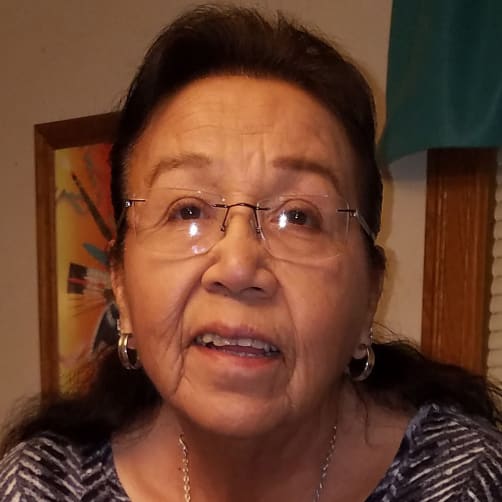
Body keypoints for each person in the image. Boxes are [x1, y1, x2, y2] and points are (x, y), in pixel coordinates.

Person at [1, 5, 501, 501]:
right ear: (121, 286)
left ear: (368, 296)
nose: (238, 266)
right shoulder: (39, 487)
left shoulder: (467, 484)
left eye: (298, 216)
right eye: (188, 210)